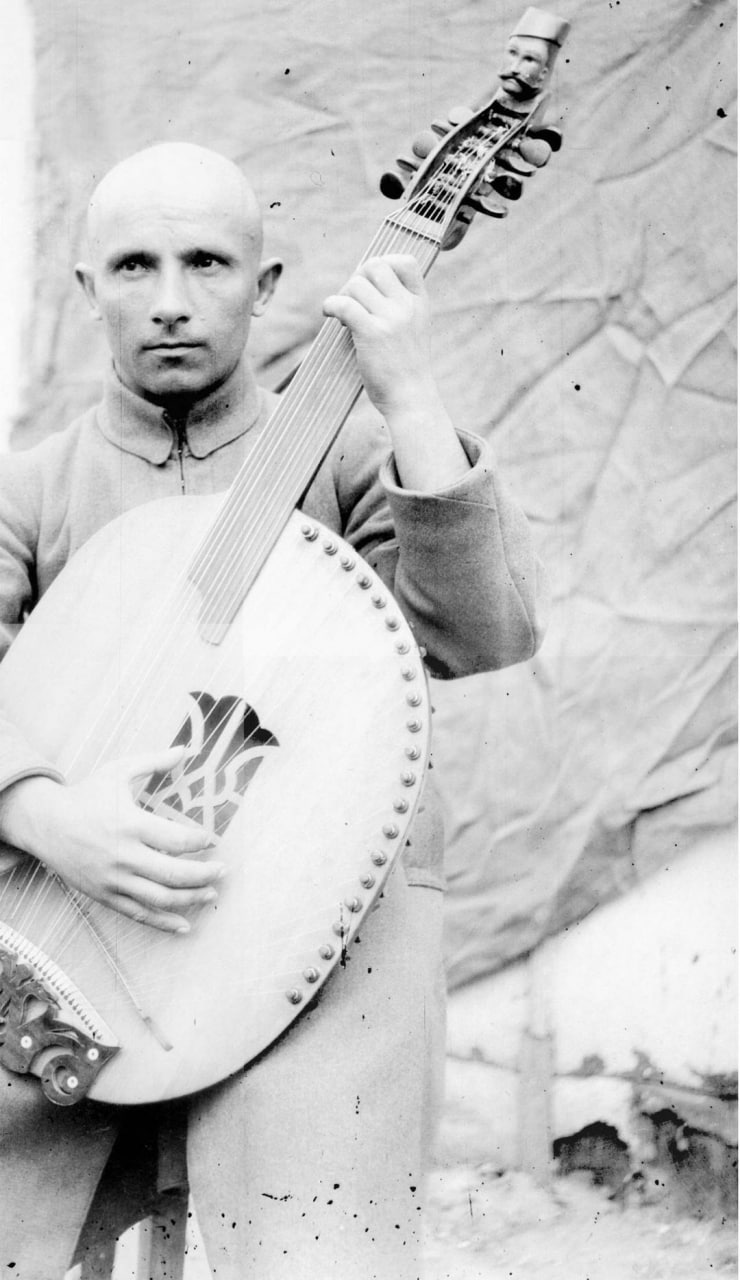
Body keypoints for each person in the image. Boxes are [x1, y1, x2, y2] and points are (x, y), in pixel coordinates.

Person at [0, 141, 547, 1279]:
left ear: (266, 283)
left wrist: (410, 395)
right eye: (135, 266)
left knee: (320, 1243)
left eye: (207, 263)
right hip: (77, 927)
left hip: (317, 942)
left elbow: (481, 635)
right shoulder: (33, 487)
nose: (170, 301)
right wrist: (45, 813)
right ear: (86, 286)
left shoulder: (357, 459)